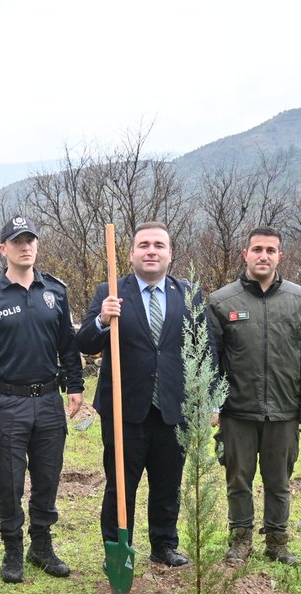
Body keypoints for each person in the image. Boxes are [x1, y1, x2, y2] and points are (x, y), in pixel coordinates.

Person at [0, 215, 84, 583]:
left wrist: (76, 385)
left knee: (47, 477)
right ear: (3, 249)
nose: (25, 246)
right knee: (10, 480)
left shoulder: (56, 292)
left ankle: (42, 547)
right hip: (8, 402)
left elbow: (68, 344)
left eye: (30, 240)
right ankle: (13, 550)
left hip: (49, 399)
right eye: (17, 241)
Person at [76, 221, 199, 568]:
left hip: (173, 408)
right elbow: (84, 342)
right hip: (124, 409)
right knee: (120, 484)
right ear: (131, 254)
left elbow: (205, 349)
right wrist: (101, 319)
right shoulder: (110, 291)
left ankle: (164, 545)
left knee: (167, 483)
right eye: (143, 245)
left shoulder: (187, 293)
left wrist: (207, 401)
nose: (151, 251)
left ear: (170, 254)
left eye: (159, 245)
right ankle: (117, 549)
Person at [207, 226, 301, 566]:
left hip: (284, 411)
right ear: (245, 254)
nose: (263, 256)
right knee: (238, 480)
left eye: (270, 250)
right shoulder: (221, 301)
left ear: (280, 256)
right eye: (257, 249)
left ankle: (277, 542)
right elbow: (209, 359)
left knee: (279, 481)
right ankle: (240, 540)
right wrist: (211, 405)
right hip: (237, 412)